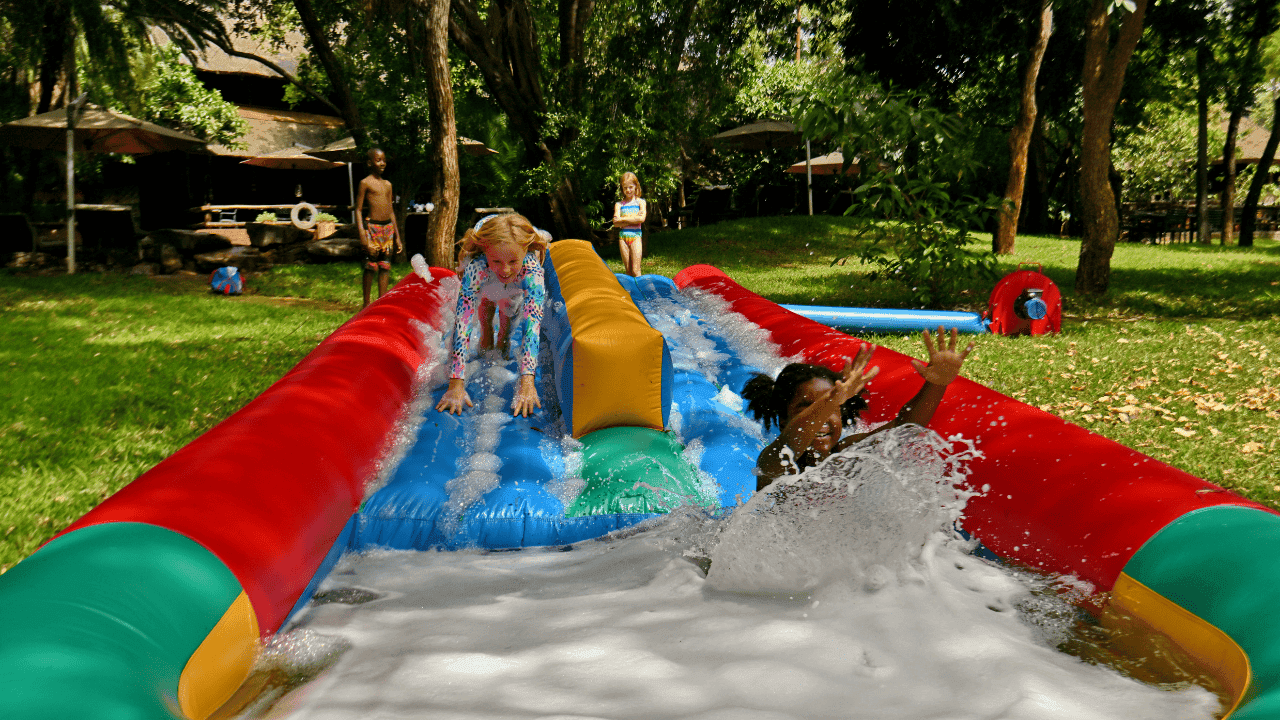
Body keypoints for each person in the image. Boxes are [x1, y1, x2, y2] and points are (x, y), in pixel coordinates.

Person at [743, 328, 975, 491]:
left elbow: (905, 428)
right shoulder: (775, 461)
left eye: (833, 408)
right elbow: (792, 441)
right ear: (785, 420)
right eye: (810, 407)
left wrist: (936, 384)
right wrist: (832, 401)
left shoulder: (848, 453)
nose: (824, 418)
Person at [436, 213, 550, 418]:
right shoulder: (477, 265)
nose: (505, 269)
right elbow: (462, 322)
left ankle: (502, 340)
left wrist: (527, 382)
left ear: (525, 251)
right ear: (485, 253)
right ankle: (487, 331)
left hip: (511, 271)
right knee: (486, 309)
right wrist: (456, 383)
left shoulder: (531, 269)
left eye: (513, 261)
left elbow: (532, 324)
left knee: (507, 321)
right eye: (497, 261)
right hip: (485, 272)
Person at [355, 148, 404, 307]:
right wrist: (363, 236)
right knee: (370, 266)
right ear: (370, 163)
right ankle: (366, 303)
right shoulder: (365, 183)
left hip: (387, 230)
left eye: (384, 160)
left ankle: (381, 303)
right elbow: (358, 210)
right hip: (372, 229)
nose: (382, 163)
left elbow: (391, 211)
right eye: (378, 160)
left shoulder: (388, 185)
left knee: (385, 266)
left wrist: (397, 236)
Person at [611, 172, 647, 277]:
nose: (628, 190)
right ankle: (631, 293)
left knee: (636, 270)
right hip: (623, 238)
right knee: (628, 271)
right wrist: (633, 218)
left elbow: (641, 219)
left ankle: (640, 291)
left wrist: (623, 219)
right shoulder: (619, 205)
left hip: (635, 236)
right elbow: (616, 223)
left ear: (636, 186)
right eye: (625, 188)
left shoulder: (640, 202)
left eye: (631, 187)